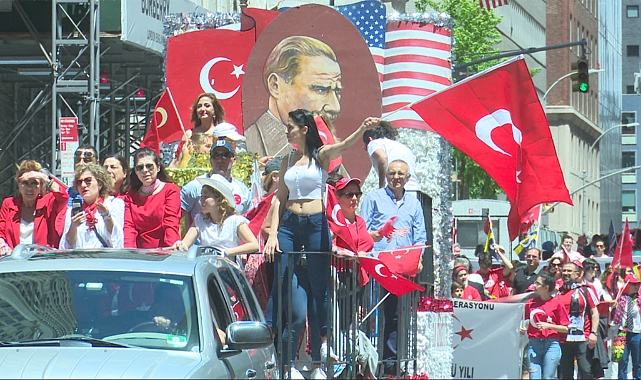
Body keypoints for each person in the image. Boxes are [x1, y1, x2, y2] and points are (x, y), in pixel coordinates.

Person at [262, 109, 379, 379]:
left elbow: (344, 145)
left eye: (290, 126)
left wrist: (362, 129)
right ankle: (269, 334)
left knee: (319, 285)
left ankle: (323, 343)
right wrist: (272, 234)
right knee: (281, 279)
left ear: (304, 129)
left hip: (315, 222)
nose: (286, 130)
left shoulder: (321, 155)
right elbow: (280, 197)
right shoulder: (287, 159)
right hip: (290, 223)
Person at [245, 36, 342, 157]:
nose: (335, 107)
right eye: (320, 89)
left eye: (337, 91)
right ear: (275, 85)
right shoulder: (248, 145)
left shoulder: (325, 144)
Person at [172, 174, 258, 257]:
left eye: (206, 197)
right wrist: (180, 245)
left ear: (219, 199)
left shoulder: (235, 221)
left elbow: (254, 244)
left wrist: (226, 252)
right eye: (201, 196)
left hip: (229, 267)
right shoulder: (200, 219)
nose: (201, 200)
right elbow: (186, 243)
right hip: (206, 266)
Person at [0, 160, 67, 254]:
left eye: (34, 183)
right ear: (18, 185)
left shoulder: (48, 202)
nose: (29, 188)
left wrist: (43, 177)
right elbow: (1, 232)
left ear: (41, 186)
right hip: (14, 259)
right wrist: (3, 245)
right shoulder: (9, 204)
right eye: (25, 183)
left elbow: (63, 197)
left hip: (41, 260)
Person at [181, 138, 251, 227]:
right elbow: (175, 217)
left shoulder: (243, 190)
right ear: (210, 160)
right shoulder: (194, 186)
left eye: (225, 155)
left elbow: (250, 220)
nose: (220, 160)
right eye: (216, 155)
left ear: (234, 160)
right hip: (201, 239)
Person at [124, 147, 181, 248]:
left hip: (165, 252)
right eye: (139, 168)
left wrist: (170, 249)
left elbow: (171, 223)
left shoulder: (171, 190)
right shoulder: (130, 196)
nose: (145, 170)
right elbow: (129, 227)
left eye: (149, 166)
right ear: (136, 172)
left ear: (158, 167)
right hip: (139, 255)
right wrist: (129, 252)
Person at [60, 164, 125, 249]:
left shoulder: (114, 204)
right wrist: (73, 226)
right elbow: (68, 246)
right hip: (82, 259)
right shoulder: (72, 212)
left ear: (100, 184)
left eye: (88, 180)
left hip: (104, 259)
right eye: (79, 182)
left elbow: (116, 239)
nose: (83, 185)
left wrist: (107, 216)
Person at [522, 271, 570, 380]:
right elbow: (524, 321)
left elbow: (565, 328)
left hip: (551, 344)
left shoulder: (557, 304)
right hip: (534, 344)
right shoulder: (530, 303)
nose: (535, 285)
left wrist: (548, 326)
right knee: (534, 377)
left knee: (548, 377)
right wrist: (523, 328)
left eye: (538, 283)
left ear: (546, 287)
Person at [556, 261, 600, 379]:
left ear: (577, 274)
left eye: (569, 271)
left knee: (586, 371)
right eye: (564, 270)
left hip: (583, 337)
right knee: (565, 373)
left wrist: (593, 333)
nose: (566, 273)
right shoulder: (556, 291)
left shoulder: (586, 290)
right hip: (563, 338)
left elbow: (594, 313)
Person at [170, 93, 225, 168]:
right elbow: (177, 160)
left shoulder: (222, 132)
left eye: (207, 105)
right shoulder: (189, 134)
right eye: (199, 106)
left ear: (215, 109)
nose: (202, 109)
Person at [362, 120, 418, 192]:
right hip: (414, 190)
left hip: (396, 191)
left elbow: (383, 158)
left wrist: (381, 187)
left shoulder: (373, 143)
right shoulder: (405, 148)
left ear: (370, 139)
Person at [612, 274, 641, 380]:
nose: (636, 286)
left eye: (637, 284)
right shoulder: (621, 298)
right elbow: (613, 284)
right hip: (622, 332)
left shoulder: (639, 299)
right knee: (622, 361)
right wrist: (616, 273)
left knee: (637, 361)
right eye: (633, 284)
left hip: (636, 332)